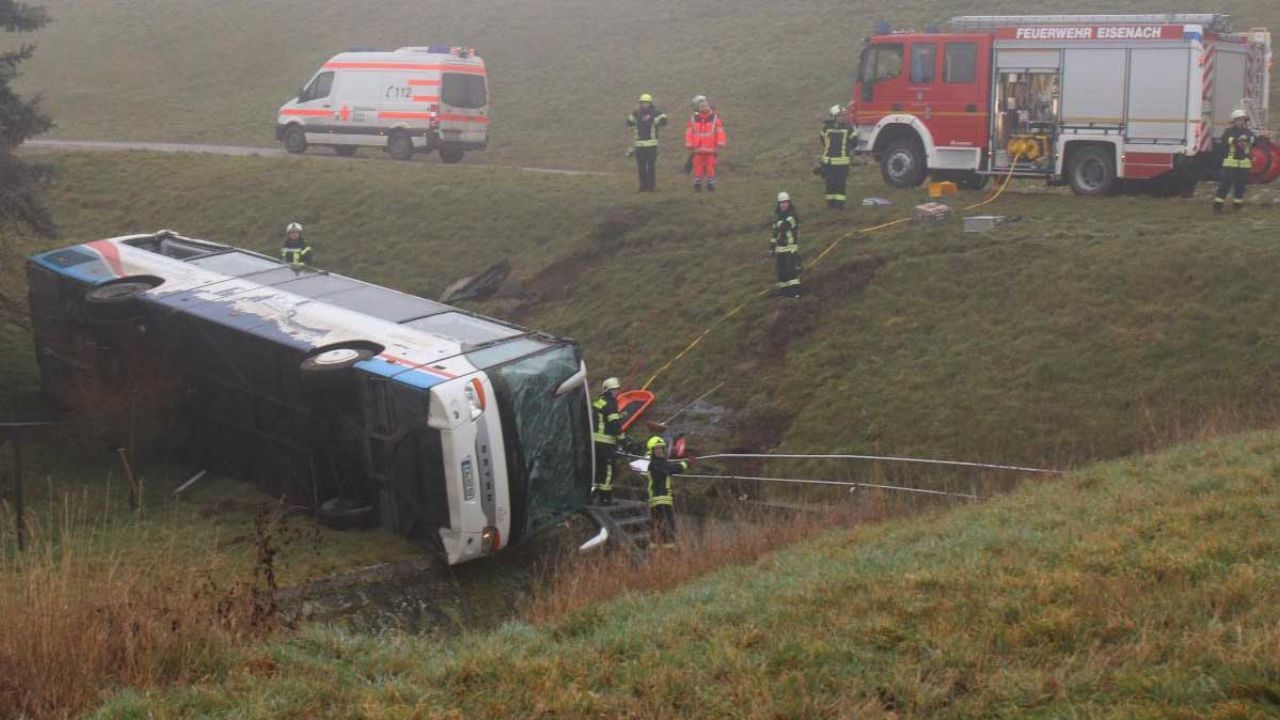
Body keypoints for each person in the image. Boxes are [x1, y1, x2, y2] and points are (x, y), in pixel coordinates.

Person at [645, 435, 688, 548]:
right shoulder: (654, 464)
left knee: (660, 524)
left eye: (661, 448)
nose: (659, 450)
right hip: (658, 498)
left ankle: (660, 547)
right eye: (656, 449)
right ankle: (668, 547)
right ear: (652, 451)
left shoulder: (661, 462)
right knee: (666, 524)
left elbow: (669, 467)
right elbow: (671, 469)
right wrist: (686, 463)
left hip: (663, 498)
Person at [1215, 108, 1256, 213]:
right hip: (1230, 164)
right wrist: (1238, 141)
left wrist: (1247, 139)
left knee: (1240, 187)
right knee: (1225, 185)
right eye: (1239, 120)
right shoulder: (1229, 131)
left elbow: (1254, 140)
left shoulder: (1248, 132)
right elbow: (1226, 139)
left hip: (1244, 165)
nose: (1241, 122)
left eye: (1243, 120)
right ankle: (1217, 207)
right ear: (1234, 121)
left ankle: (1237, 207)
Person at [591, 377, 624, 505]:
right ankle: (606, 499)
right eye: (614, 390)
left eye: (617, 390)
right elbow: (614, 425)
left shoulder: (598, 402)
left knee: (597, 469)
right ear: (608, 391)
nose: (617, 392)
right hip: (606, 443)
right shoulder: (610, 404)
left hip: (594, 443)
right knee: (608, 470)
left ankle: (593, 496)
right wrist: (624, 440)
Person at [627, 93, 668, 192]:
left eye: (647, 102)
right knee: (641, 168)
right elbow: (628, 122)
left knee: (651, 167)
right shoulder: (636, 113)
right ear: (640, 103)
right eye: (643, 102)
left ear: (650, 103)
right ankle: (642, 186)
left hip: (651, 144)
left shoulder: (656, 113)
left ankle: (651, 187)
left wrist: (657, 120)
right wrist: (634, 113)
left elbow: (664, 121)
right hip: (639, 145)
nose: (645, 104)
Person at [684, 95, 726, 192]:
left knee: (710, 166)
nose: (704, 108)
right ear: (697, 108)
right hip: (697, 148)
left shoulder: (714, 118)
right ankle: (697, 183)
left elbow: (720, 131)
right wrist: (689, 143)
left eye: (706, 106)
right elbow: (689, 132)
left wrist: (720, 142)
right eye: (702, 106)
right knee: (697, 166)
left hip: (710, 148)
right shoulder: (693, 118)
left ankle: (711, 183)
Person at [819, 105, 857, 209]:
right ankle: (830, 205)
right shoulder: (826, 128)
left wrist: (846, 150)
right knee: (830, 185)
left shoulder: (849, 128)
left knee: (840, 185)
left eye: (843, 115)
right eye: (839, 116)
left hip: (842, 164)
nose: (842, 117)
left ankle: (839, 206)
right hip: (829, 163)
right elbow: (823, 141)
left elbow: (854, 141)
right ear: (834, 117)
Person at [770, 192, 801, 297]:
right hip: (780, 248)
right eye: (781, 203)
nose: (783, 204)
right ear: (779, 204)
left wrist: (779, 223)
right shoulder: (777, 216)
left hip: (790, 247)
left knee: (791, 270)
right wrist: (771, 247)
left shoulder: (793, 215)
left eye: (785, 202)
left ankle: (795, 292)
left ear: (789, 203)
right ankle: (784, 292)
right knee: (781, 272)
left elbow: (785, 225)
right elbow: (774, 234)